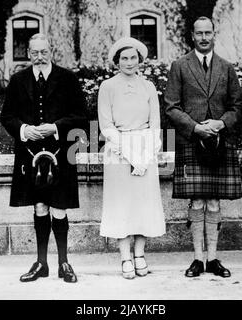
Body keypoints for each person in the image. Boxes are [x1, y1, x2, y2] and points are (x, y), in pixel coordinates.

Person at [0, 33, 87, 283]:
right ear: (28, 53)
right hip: (30, 155)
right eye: (35, 52)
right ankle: (41, 264)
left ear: (52, 52)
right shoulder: (18, 80)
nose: (39, 56)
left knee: (59, 207)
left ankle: (64, 263)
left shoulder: (68, 78)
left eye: (44, 52)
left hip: (61, 153)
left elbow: (81, 115)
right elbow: (7, 117)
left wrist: (56, 127)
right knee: (39, 207)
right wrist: (24, 130)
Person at [164, 16, 242, 278]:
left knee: (213, 201)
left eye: (208, 32)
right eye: (199, 33)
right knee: (197, 201)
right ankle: (197, 259)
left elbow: (238, 107)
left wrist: (221, 124)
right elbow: (171, 107)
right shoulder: (179, 65)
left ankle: (213, 259)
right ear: (192, 35)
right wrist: (195, 127)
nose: (203, 37)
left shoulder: (227, 67)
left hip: (220, 143)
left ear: (214, 35)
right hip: (192, 140)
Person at [98, 37, 166, 279]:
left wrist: (146, 156)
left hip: (145, 149)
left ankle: (140, 254)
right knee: (122, 206)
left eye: (133, 58)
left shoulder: (148, 87)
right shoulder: (107, 87)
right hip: (118, 151)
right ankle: (125, 256)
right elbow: (106, 125)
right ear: (117, 62)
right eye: (124, 58)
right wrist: (130, 156)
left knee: (143, 205)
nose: (129, 62)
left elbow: (156, 124)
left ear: (140, 60)